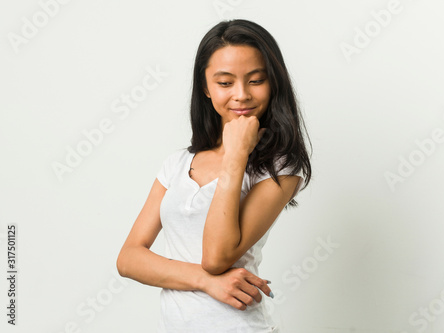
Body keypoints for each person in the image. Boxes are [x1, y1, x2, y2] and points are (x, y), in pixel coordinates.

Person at [116, 19, 312, 332]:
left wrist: (236, 156)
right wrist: (207, 282)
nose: (241, 94)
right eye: (225, 83)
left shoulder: (281, 167)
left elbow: (217, 257)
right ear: (206, 88)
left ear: (274, 82)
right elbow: (128, 259)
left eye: (256, 80)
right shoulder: (177, 163)